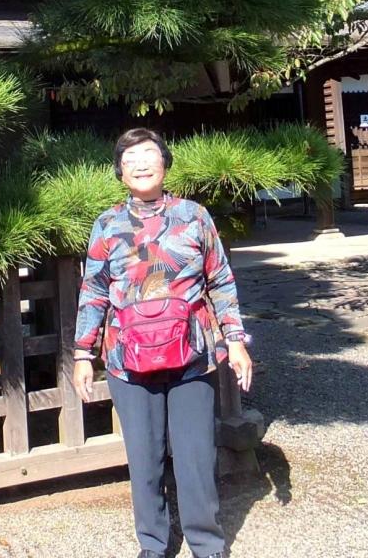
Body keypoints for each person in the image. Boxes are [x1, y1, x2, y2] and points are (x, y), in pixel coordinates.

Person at [73, 128, 252, 558]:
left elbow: (220, 280)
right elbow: (93, 290)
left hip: (192, 356)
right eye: (130, 158)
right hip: (127, 359)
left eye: (149, 154)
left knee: (196, 457)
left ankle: (207, 544)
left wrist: (236, 340)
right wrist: (82, 353)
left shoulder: (194, 216)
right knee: (144, 458)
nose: (141, 164)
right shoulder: (107, 224)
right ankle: (152, 545)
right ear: (119, 172)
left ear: (165, 164)